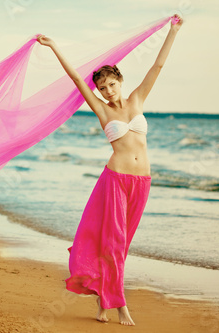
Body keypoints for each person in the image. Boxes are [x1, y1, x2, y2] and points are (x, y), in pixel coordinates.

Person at [37, 14, 183, 326]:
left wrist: (173, 31)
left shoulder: (137, 99)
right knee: (114, 243)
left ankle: (103, 302)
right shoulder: (102, 110)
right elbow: (77, 80)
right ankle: (120, 307)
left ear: (120, 81)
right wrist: (54, 47)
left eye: (111, 84)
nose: (107, 91)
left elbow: (156, 67)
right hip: (115, 181)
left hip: (142, 182)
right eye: (102, 88)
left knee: (120, 245)